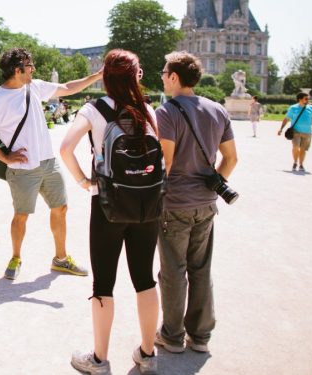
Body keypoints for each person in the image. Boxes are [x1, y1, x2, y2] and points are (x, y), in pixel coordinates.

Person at [61, 49, 161, 374]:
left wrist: (83, 181)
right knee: (145, 279)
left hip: (106, 203)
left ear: (105, 76)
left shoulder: (94, 109)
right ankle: (147, 354)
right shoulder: (148, 110)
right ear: (136, 77)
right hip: (146, 203)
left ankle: (100, 360)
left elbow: (65, 148)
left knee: (103, 283)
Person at [0, 48, 101, 280]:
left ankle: (61, 260)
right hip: (23, 169)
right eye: (30, 65)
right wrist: (5, 158)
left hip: (49, 163)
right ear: (17, 70)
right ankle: (16, 257)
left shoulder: (34, 86)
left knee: (61, 208)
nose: (33, 69)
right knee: (21, 215)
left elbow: (67, 87)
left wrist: (96, 76)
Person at [154, 51, 238, 355]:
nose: (161, 77)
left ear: (174, 77)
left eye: (164, 72)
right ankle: (200, 336)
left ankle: (172, 336)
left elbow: (168, 163)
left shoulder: (166, 112)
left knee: (173, 271)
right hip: (206, 203)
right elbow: (231, 159)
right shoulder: (217, 110)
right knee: (201, 269)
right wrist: (212, 183)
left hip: (175, 204)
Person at [277, 93, 312, 172]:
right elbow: (286, 119)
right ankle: (295, 162)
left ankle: (301, 164)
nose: (307, 100)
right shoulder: (293, 108)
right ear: (300, 99)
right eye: (306, 98)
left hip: (307, 132)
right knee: (295, 147)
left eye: (307, 98)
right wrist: (281, 128)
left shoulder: (311, 108)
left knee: (303, 149)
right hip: (296, 131)